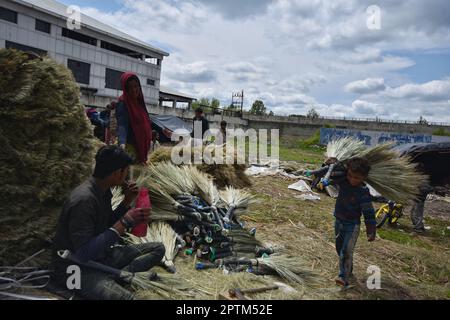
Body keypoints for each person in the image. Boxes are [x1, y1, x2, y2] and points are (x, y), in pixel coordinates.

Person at [52, 145, 165, 300]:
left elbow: (105, 225)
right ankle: (111, 277)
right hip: (75, 268)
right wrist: (124, 222)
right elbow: (84, 253)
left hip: (101, 257)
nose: (127, 176)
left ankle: (117, 276)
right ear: (117, 173)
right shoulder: (84, 200)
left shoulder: (102, 191)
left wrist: (127, 201)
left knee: (158, 248)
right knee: (128, 298)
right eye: (126, 172)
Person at [313, 157, 376, 287]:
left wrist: (371, 230)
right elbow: (333, 173)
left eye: (357, 178)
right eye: (350, 176)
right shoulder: (343, 181)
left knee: (346, 251)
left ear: (364, 177)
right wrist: (330, 163)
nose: (352, 180)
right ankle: (348, 269)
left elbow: (369, 213)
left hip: (352, 226)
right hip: (339, 221)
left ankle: (343, 277)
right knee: (339, 248)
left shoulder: (363, 192)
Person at [116, 72, 152, 164]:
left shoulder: (139, 103)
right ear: (125, 89)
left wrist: (163, 129)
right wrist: (122, 144)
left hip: (141, 152)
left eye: (136, 86)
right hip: (131, 151)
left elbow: (146, 121)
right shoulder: (123, 103)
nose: (133, 90)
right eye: (129, 87)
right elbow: (122, 125)